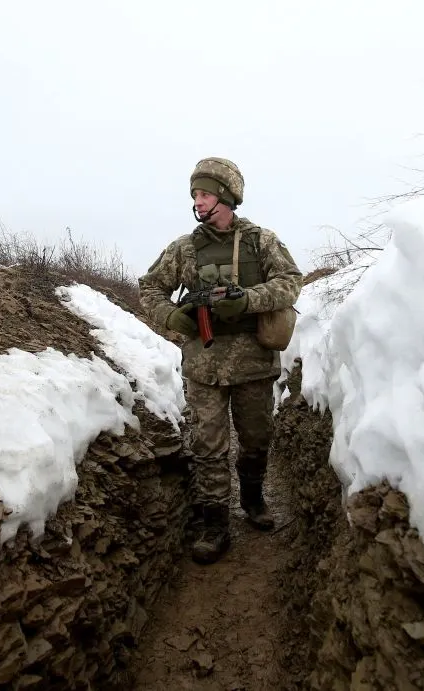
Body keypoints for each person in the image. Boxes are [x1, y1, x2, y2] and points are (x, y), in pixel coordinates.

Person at [138, 157, 303, 565]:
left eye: (206, 193)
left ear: (227, 197)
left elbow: (290, 283)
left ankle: (253, 499)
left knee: (256, 438)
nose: (198, 200)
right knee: (208, 446)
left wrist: (247, 300)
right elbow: (149, 288)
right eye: (195, 193)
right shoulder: (183, 249)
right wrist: (172, 316)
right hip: (204, 366)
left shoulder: (261, 242)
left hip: (253, 364)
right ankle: (215, 524)